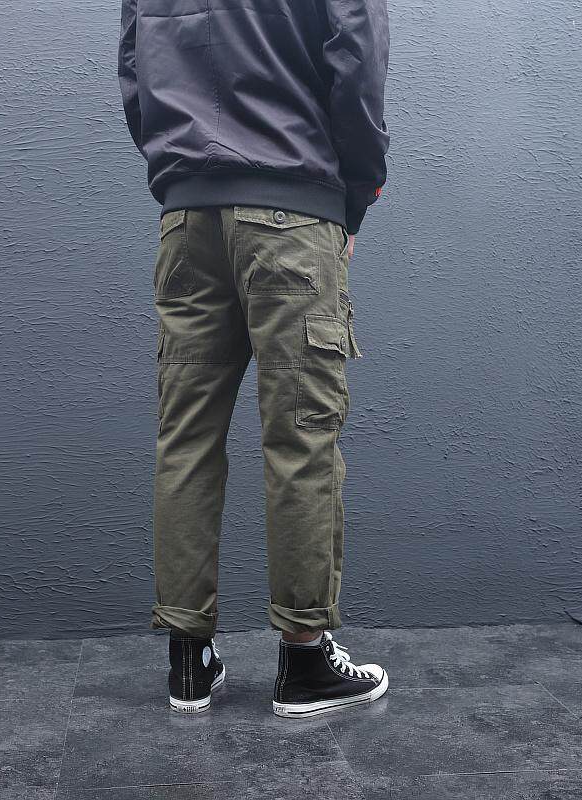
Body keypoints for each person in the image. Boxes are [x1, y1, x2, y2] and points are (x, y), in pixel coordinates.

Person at [118, 0, 391, 718]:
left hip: (187, 220)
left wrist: (179, 169)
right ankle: (305, 663)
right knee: (301, 436)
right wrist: (354, 193)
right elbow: (357, 56)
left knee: (186, 438)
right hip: (291, 211)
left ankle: (188, 662)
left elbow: (134, 72)